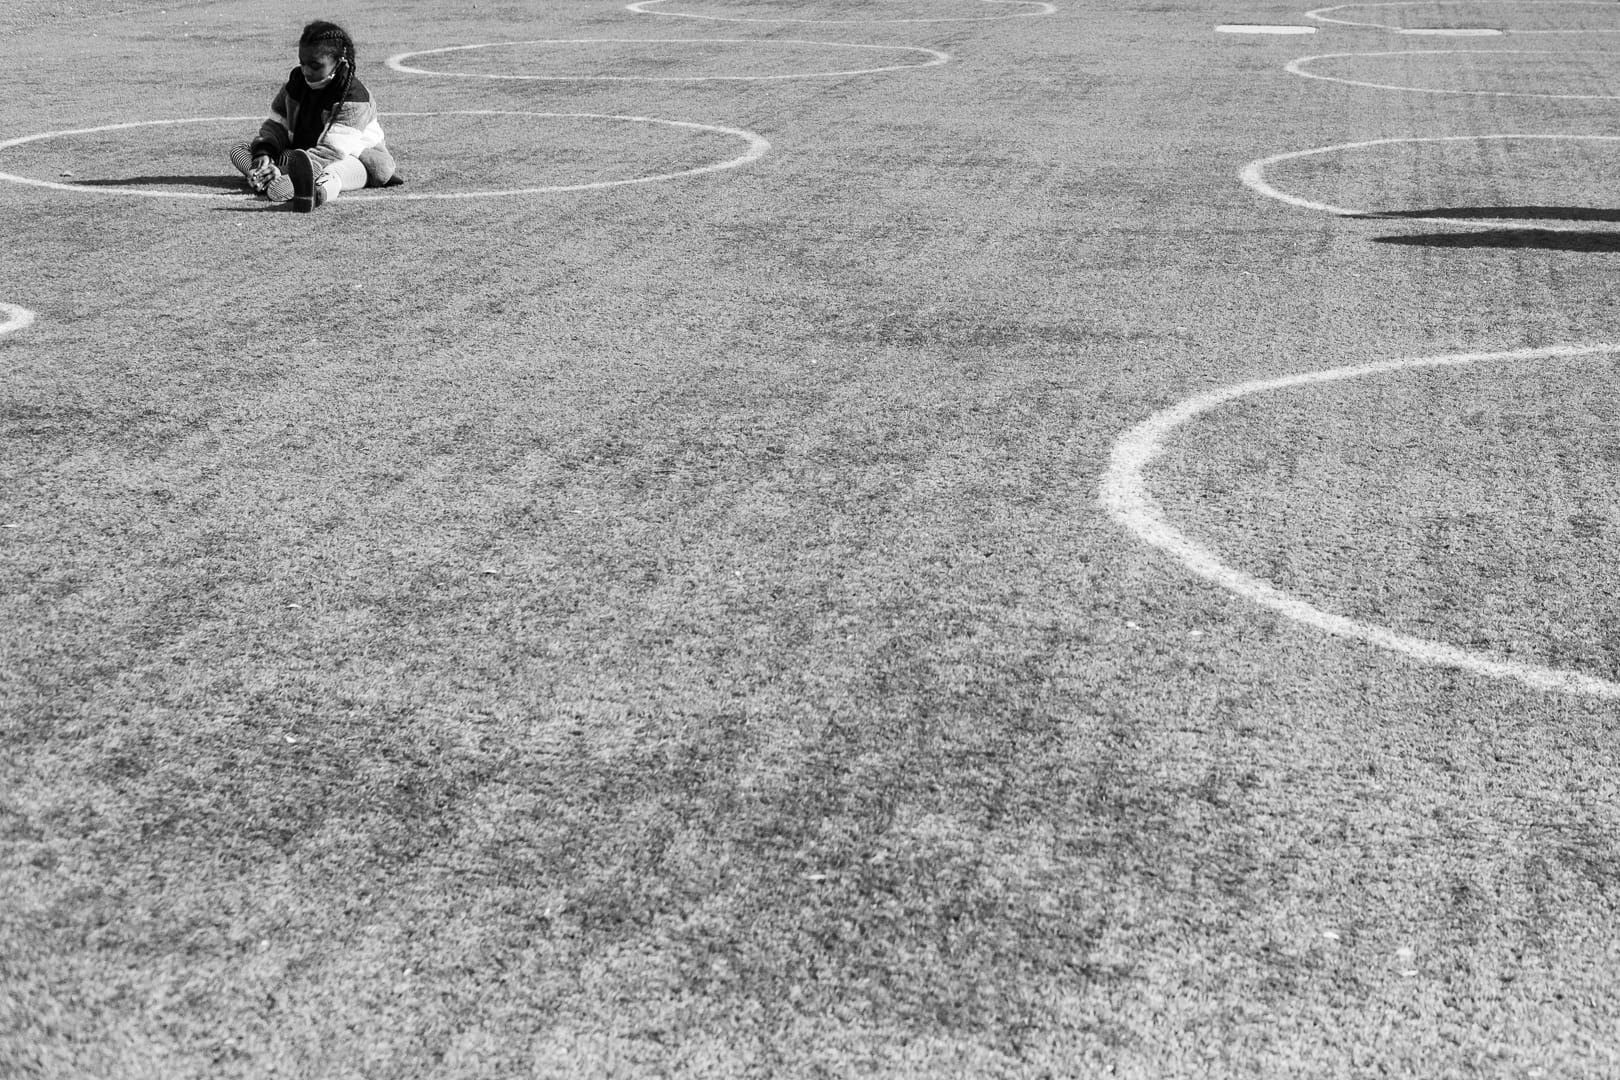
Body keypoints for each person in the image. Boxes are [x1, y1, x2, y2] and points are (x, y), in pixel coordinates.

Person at [228, 20, 401, 212]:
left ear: (339, 62)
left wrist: (284, 170)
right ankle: (262, 177)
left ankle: (318, 192)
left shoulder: (353, 97)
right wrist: (264, 157)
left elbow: (331, 152)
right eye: (302, 63)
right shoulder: (296, 82)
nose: (306, 71)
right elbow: (276, 124)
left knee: (330, 172)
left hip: (352, 160)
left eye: (315, 66)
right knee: (241, 149)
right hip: (303, 155)